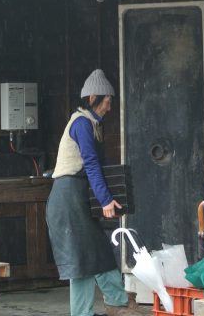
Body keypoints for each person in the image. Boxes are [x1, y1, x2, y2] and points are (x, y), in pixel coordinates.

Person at [46, 69, 142, 316]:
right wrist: (105, 199)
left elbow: (99, 167)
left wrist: (109, 195)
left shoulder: (93, 125)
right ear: (93, 98)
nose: (109, 107)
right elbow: (90, 164)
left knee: (98, 251)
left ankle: (118, 302)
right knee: (81, 262)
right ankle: (83, 313)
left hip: (78, 198)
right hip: (67, 199)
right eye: (107, 101)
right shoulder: (81, 124)